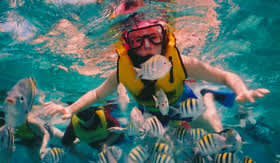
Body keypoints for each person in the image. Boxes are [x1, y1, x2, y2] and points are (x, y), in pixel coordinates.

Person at [44, 11, 269, 134]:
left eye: (154, 36)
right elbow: (97, 94)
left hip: (183, 102)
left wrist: (241, 90)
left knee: (215, 129)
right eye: (137, 40)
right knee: (155, 144)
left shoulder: (183, 62)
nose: (147, 45)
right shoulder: (122, 72)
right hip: (149, 111)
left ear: (165, 39)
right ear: (127, 45)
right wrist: (69, 108)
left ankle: (207, 98)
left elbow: (225, 77)